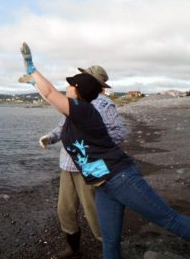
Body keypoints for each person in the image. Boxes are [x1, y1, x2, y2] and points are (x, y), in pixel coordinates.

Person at [18, 42, 190, 259]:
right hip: (102, 185)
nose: (67, 87)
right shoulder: (74, 113)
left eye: (71, 85)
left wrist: (32, 67)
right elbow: (49, 97)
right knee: (110, 241)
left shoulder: (84, 111)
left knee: (169, 220)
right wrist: (33, 80)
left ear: (78, 91)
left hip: (121, 178)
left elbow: (51, 93)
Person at [37, 66, 125, 259]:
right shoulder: (73, 102)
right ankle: (73, 249)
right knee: (65, 209)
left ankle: (109, 249)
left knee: (94, 211)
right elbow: (63, 127)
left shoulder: (104, 104)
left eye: (84, 75)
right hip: (67, 165)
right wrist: (50, 138)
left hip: (90, 166)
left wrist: (92, 140)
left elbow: (118, 133)